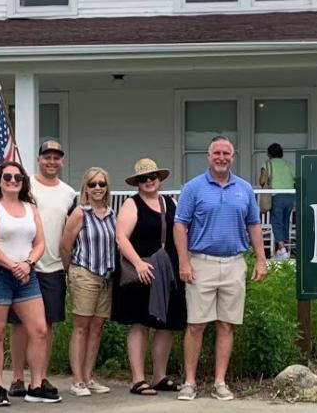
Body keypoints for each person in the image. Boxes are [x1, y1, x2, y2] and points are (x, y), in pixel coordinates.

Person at [173, 136, 268, 401]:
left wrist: (261, 259)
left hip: (234, 263)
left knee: (226, 325)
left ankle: (220, 382)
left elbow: (254, 226)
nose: (222, 158)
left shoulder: (245, 188)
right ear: (209, 155)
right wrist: (183, 261)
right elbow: (180, 225)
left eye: (227, 153)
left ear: (233, 157)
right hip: (200, 263)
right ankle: (189, 382)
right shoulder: (193, 188)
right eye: (217, 153)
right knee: (196, 325)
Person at [0, 161, 58, 405]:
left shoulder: (30, 207)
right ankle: (0, 387)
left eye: (18, 178)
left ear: (24, 182)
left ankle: (36, 385)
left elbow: (40, 242)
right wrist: (12, 265)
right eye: (7, 177)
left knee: (40, 330)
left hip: (27, 274)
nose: (12, 181)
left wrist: (28, 264)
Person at [7, 141, 77, 399]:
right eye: (47, 157)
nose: (51, 161)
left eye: (56, 158)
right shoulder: (25, 186)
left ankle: (40, 376)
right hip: (23, 265)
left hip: (53, 266)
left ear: (62, 161)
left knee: (46, 327)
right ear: (38, 159)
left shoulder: (69, 193)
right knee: (19, 326)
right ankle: (17, 377)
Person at [113, 158, 187, 396]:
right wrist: (138, 263)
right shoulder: (131, 204)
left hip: (169, 272)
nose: (148, 181)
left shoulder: (171, 202)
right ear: (137, 182)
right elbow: (121, 237)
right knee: (140, 323)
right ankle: (137, 378)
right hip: (142, 273)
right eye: (143, 178)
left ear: (159, 179)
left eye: (152, 177)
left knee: (166, 325)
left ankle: (159, 375)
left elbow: (180, 232)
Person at [58, 167, 117, 397]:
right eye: (92, 184)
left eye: (101, 184)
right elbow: (65, 245)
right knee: (81, 327)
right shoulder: (80, 213)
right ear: (85, 187)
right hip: (84, 272)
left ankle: (89, 376)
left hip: (106, 277)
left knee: (97, 328)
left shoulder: (112, 214)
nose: (98, 188)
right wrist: (71, 270)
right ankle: (77, 380)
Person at [258, 142, 296, 260]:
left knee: (276, 222)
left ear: (269, 154)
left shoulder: (268, 164)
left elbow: (262, 181)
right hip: (290, 196)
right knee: (285, 221)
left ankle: (282, 249)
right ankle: (281, 249)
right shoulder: (288, 164)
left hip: (277, 196)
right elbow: (295, 179)